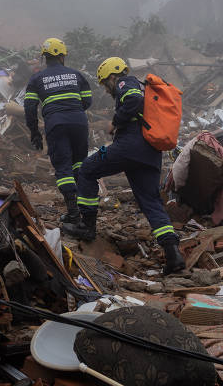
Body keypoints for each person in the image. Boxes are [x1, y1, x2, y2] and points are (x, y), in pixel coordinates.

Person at [61, 57, 185, 275]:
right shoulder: (142, 86)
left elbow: (133, 101)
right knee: (151, 201)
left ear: (111, 76)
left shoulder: (124, 83)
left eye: (104, 83)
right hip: (150, 153)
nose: (106, 89)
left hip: (130, 145)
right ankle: (173, 253)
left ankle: (86, 226)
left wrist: (115, 122)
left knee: (88, 168)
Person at [24, 38, 92, 224]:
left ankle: (72, 212)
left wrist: (34, 132)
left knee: (63, 167)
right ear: (62, 57)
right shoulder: (76, 75)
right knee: (79, 163)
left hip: (56, 124)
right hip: (79, 122)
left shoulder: (37, 79)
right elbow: (87, 100)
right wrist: (74, 111)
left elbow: (30, 107)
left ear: (45, 58)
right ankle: (85, 208)